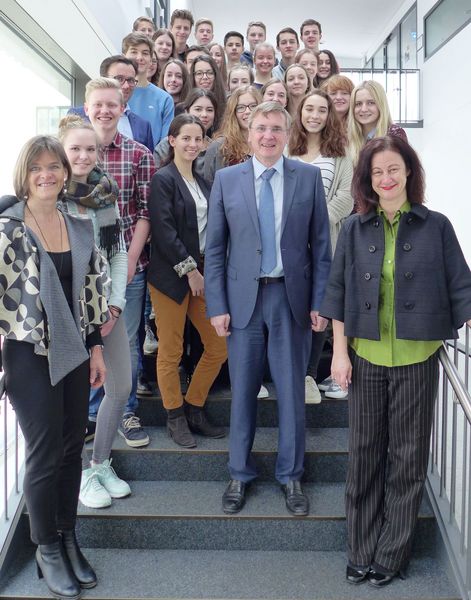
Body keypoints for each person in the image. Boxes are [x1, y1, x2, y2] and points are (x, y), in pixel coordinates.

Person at [320, 135, 471, 587]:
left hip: (416, 356)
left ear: (409, 173)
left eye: (394, 170)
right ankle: (360, 547)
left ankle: (392, 552)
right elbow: (338, 294)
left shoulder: (436, 226)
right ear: (368, 179)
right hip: (365, 356)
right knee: (365, 454)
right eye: (377, 172)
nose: (386, 179)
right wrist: (340, 354)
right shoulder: (354, 228)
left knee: (407, 458)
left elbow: (460, 286)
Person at [204, 102, 331, 516]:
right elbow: (216, 249)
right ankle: (239, 474)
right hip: (243, 301)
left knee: (292, 390)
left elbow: (322, 249)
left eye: (277, 128)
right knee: (242, 390)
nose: (268, 136)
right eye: (261, 128)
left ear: (288, 133)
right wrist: (217, 304)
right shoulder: (226, 179)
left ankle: (291, 475)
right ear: (249, 131)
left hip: (290, 300)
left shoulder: (308, 178)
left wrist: (319, 302)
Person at [2, 135, 108, 598]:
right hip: (28, 353)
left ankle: (67, 535)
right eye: (36, 168)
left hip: (75, 351)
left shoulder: (80, 223)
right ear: (25, 175)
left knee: (71, 448)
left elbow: (90, 293)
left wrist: (97, 350)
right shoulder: (8, 228)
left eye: (54, 166)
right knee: (45, 452)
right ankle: (45, 547)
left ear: (66, 173)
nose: (46, 174)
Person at [58, 115, 132, 509]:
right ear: (61, 150)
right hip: (66, 314)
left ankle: (98, 464)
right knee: (73, 399)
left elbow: (117, 252)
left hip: (104, 310)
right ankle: (76, 479)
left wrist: (116, 302)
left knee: (120, 387)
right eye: (75, 148)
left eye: (90, 149)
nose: (84, 156)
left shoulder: (106, 193)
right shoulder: (49, 195)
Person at [148, 114, 227, 448]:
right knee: (171, 350)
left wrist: (205, 272)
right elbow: (163, 231)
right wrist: (190, 270)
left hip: (202, 275)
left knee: (218, 345)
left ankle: (194, 406)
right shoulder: (162, 179)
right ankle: (174, 416)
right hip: (171, 277)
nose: (192, 144)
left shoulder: (205, 182)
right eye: (186, 138)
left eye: (198, 139)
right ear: (172, 140)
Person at [84, 77, 155, 448]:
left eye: (112, 104)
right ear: (86, 107)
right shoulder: (75, 154)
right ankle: (93, 415)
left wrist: (128, 262)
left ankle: (125, 412)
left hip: (128, 266)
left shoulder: (140, 154)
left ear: (122, 108)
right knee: (89, 342)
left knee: (126, 344)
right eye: (98, 104)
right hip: (81, 273)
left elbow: (146, 213)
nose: (105, 110)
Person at [287, 90, 353, 402]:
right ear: (300, 113)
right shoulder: (287, 148)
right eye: (309, 109)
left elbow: (345, 198)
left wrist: (311, 219)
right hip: (288, 246)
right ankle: (284, 370)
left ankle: (309, 375)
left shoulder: (339, 154)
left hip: (325, 246)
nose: (315, 115)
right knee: (289, 307)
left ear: (330, 115)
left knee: (319, 312)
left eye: (322, 110)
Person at [68, 55, 154, 152]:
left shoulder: (143, 126)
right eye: (119, 79)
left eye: (130, 80)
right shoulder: (77, 116)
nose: (126, 86)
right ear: (103, 79)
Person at [123, 32, 174, 147]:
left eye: (145, 53)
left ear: (151, 60)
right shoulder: (114, 93)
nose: (139, 57)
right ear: (123, 56)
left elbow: (164, 144)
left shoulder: (164, 99)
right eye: (134, 52)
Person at [203, 85, 262, 184]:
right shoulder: (219, 147)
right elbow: (209, 187)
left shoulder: (268, 144)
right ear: (233, 112)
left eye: (253, 106)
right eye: (241, 107)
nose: (247, 111)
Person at [348, 80, 408, 165]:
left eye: (371, 103)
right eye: (358, 104)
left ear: (381, 105)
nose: (364, 109)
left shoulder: (394, 133)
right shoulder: (348, 137)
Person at [154, 88, 218, 168]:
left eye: (209, 110)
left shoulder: (216, 149)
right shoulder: (167, 145)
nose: (204, 114)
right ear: (187, 111)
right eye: (198, 109)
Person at [189, 54, 226, 125]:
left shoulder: (227, 105)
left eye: (210, 73)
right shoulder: (182, 106)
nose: (205, 77)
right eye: (199, 73)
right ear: (193, 77)